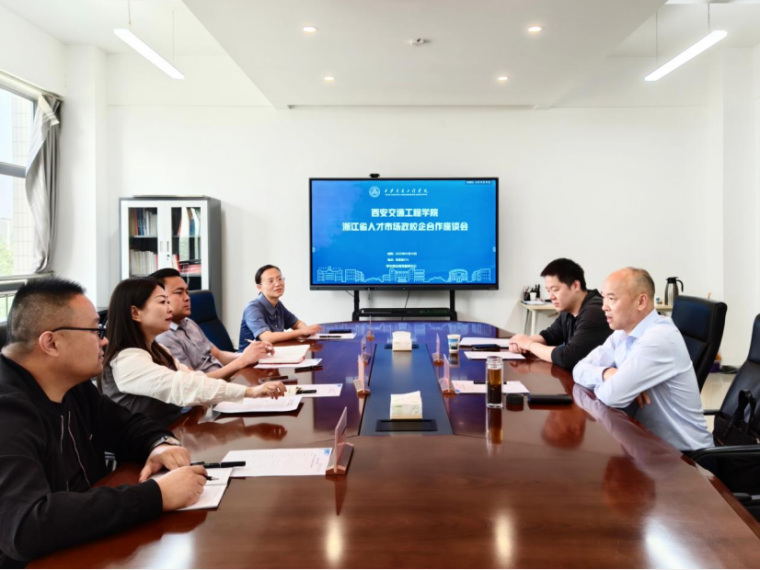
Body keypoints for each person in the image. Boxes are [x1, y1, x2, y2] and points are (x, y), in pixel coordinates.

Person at [0, 278, 209, 569]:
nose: (105, 340)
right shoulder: (8, 410)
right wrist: (156, 495)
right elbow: (26, 526)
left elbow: (126, 425)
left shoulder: (72, 385)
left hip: (90, 541)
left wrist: (159, 444)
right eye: (95, 330)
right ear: (51, 343)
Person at [100, 278, 285, 426]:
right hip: (147, 451)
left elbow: (193, 378)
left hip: (175, 431)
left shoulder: (158, 349)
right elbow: (182, 386)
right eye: (162, 302)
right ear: (135, 313)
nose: (169, 308)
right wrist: (249, 392)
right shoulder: (126, 360)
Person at [573, 267, 713, 452]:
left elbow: (612, 396)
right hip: (648, 445)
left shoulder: (658, 338)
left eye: (612, 299)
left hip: (685, 457)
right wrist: (608, 373)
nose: (604, 306)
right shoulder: (622, 333)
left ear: (641, 301)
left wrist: (620, 384)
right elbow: (578, 369)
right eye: (603, 297)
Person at [151, 269, 271, 379]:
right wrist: (243, 360)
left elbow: (218, 355)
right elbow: (193, 382)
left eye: (187, 292)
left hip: (225, 380)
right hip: (211, 390)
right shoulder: (164, 337)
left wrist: (252, 353)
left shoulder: (189, 323)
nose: (187, 298)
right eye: (179, 292)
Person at [509, 258, 611, 370]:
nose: (551, 297)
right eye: (548, 291)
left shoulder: (595, 311)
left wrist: (529, 345)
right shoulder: (568, 309)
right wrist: (520, 342)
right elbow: (550, 335)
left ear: (575, 286)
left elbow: (567, 357)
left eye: (555, 289)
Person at [238, 265, 322, 348]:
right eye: (271, 281)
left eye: (279, 279)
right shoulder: (252, 308)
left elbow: (296, 323)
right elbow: (267, 338)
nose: (278, 284)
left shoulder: (278, 304)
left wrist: (307, 331)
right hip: (251, 356)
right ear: (259, 287)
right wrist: (301, 332)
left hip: (274, 352)